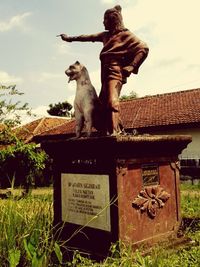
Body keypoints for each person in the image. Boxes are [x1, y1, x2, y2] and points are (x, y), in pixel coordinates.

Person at [59, 5, 149, 135]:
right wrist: (69, 38)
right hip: (104, 74)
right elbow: (87, 37)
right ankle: (114, 128)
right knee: (100, 108)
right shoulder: (105, 36)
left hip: (115, 72)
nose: (103, 22)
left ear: (113, 20)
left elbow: (143, 48)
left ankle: (114, 134)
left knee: (112, 101)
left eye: (105, 19)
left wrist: (132, 66)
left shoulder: (126, 35)